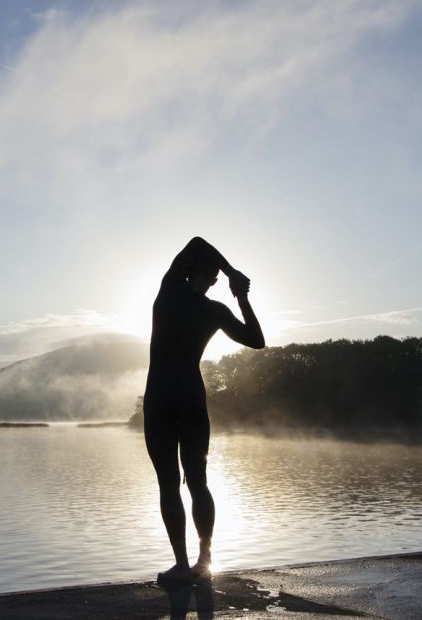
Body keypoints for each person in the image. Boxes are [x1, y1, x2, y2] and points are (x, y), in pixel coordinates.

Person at [145, 236, 265, 584]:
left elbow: (256, 341)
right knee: (189, 482)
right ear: (204, 277)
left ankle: (192, 564)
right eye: (211, 275)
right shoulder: (199, 303)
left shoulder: (173, 293)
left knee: (179, 483)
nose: (209, 280)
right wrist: (237, 284)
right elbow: (256, 339)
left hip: (164, 399)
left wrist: (235, 284)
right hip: (185, 399)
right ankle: (197, 563)